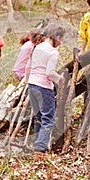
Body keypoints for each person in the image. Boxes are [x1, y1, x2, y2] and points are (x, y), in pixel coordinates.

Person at [25, 23, 65, 160]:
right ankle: (40, 150)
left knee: (38, 118)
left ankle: (38, 146)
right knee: (48, 119)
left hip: (32, 85)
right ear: (56, 37)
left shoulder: (36, 47)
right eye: (61, 39)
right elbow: (49, 73)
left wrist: (28, 81)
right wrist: (60, 80)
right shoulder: (53, 51)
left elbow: (28, 67)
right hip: (44, 87)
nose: (60, 42)